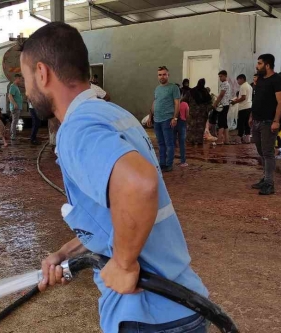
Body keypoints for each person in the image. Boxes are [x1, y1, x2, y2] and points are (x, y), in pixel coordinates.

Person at [23, 22, 208, 333]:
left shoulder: (77, 129)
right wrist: (67, 254)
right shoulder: (113, 114)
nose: (27, 90)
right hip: (180, 306)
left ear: (42, 73)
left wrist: (123, 264)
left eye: (25, 78)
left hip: (148, 316)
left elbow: (138, 184)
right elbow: (116, 218)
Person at [251, 54, 281, 195]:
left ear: (267, 65)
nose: (256, 66)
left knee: (268, 152)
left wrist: (276, 121)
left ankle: (270, 184)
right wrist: (251, 116)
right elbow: (257, 99)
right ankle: (265, 178)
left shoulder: (277, 80)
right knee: (260, 151)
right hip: (256, 121)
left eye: (259, 63)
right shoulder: (259, 80)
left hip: (268, 122)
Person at [147, 66, 181, 172]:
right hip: (157, 120)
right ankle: (162, 163)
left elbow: (177, 103)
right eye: (160, 75)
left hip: (167, 119)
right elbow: (155, 103)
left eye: (164, 74)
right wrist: (150, 116)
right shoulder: (157, 89)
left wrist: (175, 118)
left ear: (168, 75)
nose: (162, 77)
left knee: (169, 143)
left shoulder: (173, 88)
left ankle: (169, 164)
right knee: (160, 143)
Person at [184, 79, 212, 145]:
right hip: (202, 115)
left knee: (191, 128)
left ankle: (191, 141)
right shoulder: (205, 92)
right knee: (199, 129)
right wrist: (206, 110)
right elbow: (210, 103)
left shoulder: (191, 92)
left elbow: (184, 100)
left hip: (193, 113)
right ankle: (198, 141)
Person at [231, 74, 252, 144]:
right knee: (247, 123)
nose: (237, 82)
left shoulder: (243, 86)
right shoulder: (249, 86)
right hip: (249, 107)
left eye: (238, 80)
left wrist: (235, 102)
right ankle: (247, 138)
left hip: (243, 107)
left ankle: (239, 138)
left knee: (241, 123)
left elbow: (243, 97)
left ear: (242, 79)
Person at [212, 70, 232, 145]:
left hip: (223, 105)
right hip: (226, 104)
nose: (220, 78)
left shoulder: (224, 84)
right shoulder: (228, 84)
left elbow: (221, 95)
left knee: (221, 122)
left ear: (225, 76)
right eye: (219, 77)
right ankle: (227, 140)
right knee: (224, 122)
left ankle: (219, 140)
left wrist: (215, 103)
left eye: (221, 76)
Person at [8, 74, 24, 141]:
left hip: (17, 107)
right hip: (15, 107)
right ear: (17, 78)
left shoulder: (15, 86)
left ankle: (13, 134)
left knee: (14, 121)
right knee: (14, 121)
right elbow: (10, 96)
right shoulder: (13, 86)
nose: (20, 80)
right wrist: (14, 104)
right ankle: (13, 135)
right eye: (20, 79)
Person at [175, 99, 189, 167]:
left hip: (173, 123)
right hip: (182, 123)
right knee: (182, 143)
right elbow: (187, 115)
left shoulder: (172, 104)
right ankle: (183, 162)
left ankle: (169, 161)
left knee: (171, 143)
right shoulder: (185, 104)